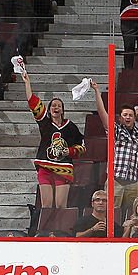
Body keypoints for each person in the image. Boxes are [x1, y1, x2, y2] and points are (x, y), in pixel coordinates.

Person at [22, 70, 85, 210]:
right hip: (45, 167)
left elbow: (82, 146)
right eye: (53, 105)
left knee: (61, 205)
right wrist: (27, 83)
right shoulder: (45, 122)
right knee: (47, 206)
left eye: (59, 106)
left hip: (63, 168)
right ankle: (45, 232)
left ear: (62, 110)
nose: (56, 107)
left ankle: (60, 231)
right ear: (49, 110)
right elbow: (33, 103)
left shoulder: (70, 126)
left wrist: (68, 151)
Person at [92, 80, 138, 220]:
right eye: (125, 115)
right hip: (116, 181)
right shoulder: (117, 131)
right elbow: (102, 114)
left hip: (134, 181)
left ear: (134, 118)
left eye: (130, 115)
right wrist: (97, 92)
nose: (128, 117)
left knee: (136, 214)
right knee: (111, 214)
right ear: (120, 118)